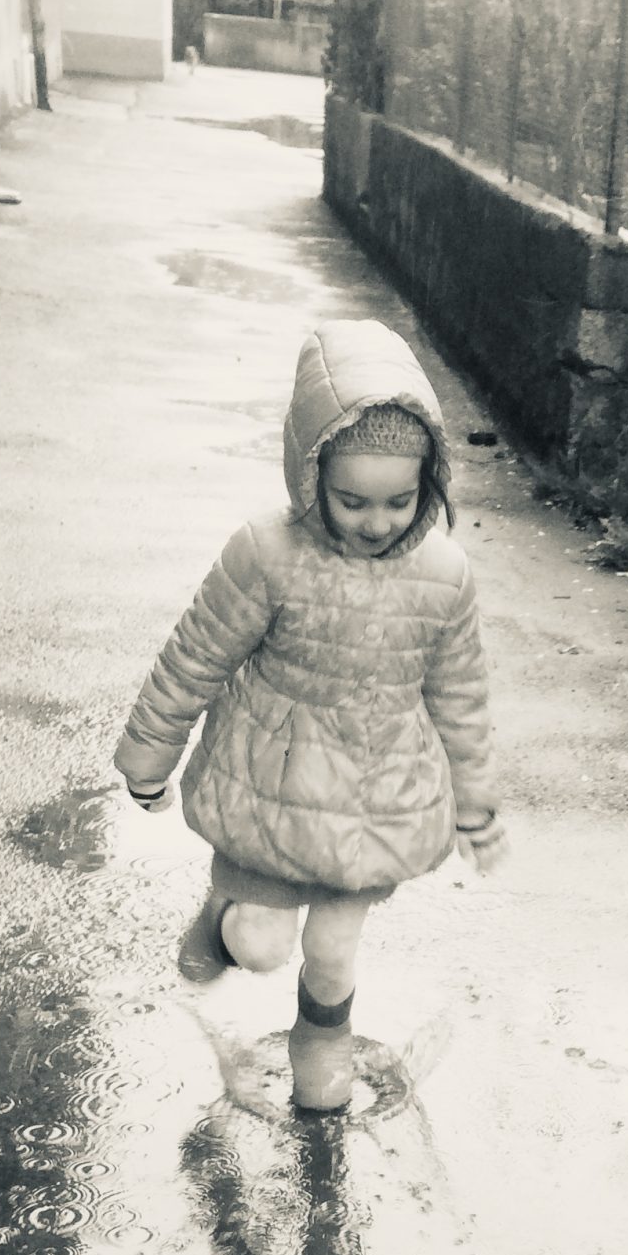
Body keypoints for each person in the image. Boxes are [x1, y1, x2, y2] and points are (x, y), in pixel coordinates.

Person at [115, 318, 505, 1113]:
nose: (377, 522)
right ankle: (224, 917)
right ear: (310, 473)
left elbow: (461, 696)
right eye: (352, 500)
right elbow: (196, 656)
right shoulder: (267, 553)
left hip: (377, 802)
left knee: (332, 947)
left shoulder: (443, 574)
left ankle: (321, 1038)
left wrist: (476, 806)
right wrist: (149, 755)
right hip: (272, 790)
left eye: (400, 501)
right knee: (261, 946)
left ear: (429, 485)